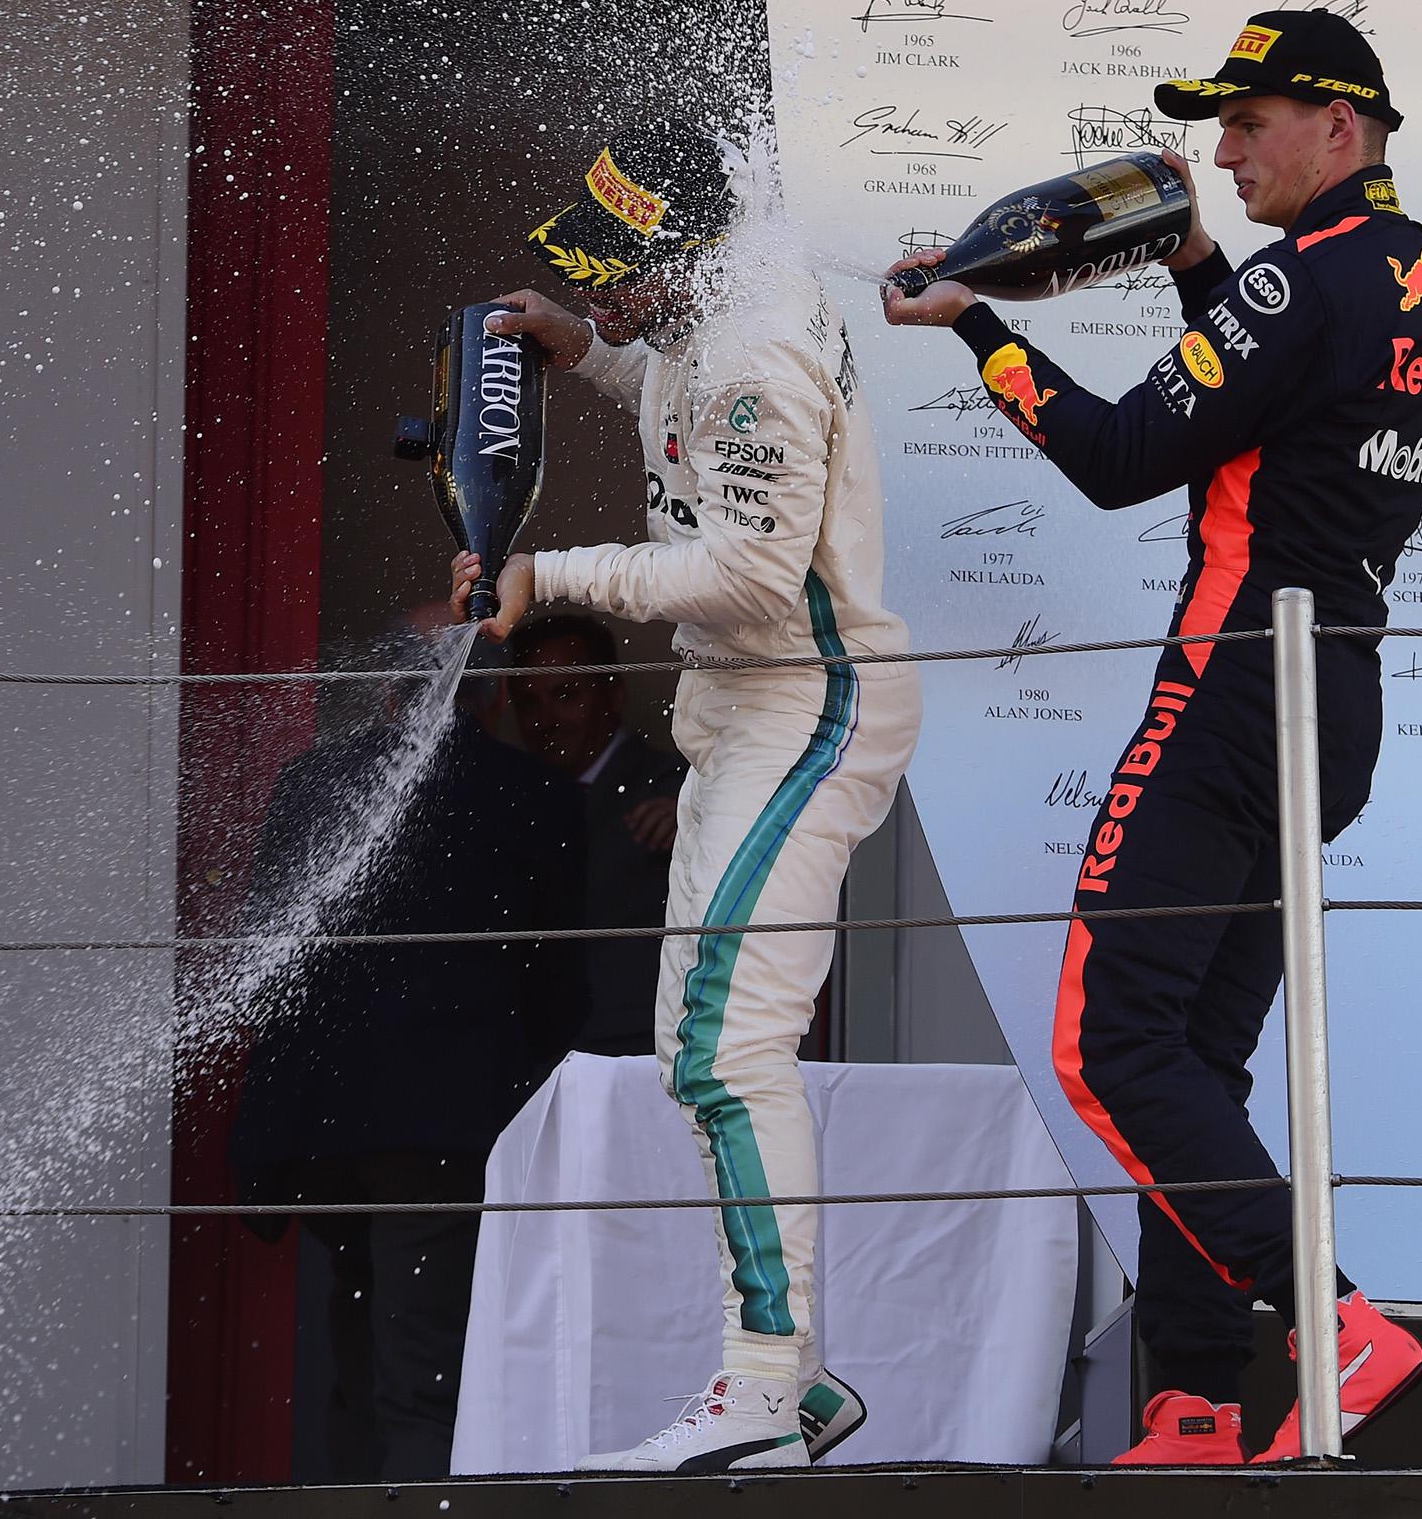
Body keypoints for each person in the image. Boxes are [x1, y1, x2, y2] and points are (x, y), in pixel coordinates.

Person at [884, 10, 1422, 1463]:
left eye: (1249, 121)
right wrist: (1197, 266)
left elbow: (1118, 460)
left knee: (1106, 1044)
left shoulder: (1307, 281)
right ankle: (1198, 1404)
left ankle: (1328, 1325)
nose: (1222, 150)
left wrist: (975, 326)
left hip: (1228, 691)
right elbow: (1285, 401)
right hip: (1332, 704)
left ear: (1339, 128)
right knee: (1191, 1065)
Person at [451, 119, 919, 1472]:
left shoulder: (761, 347)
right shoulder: (727, 307)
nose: (606, 289)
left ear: (702, 253)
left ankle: (770, 1392)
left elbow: (750, 576)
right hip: (760, 711)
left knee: (721, 1053)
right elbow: (677, 387)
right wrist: (587, 352)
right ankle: (791, 1384)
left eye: (620, 273)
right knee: (700, 1055)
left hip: (807, 709)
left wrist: (553, 577)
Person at [230, 621, 589, 1480]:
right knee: (424, 1374)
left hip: (322, 1129)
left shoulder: (311, 781)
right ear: (493, 695)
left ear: (392, 694)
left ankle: (353, 1492)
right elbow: (557, 986)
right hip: (439, 1131)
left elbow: (261, 948)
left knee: (360, 1355)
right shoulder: (531, 793)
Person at [507, 612, 686, 1057]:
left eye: (566, 695)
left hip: (639, 1050)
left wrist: (693, 825)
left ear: (614, 694)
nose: (546, 719)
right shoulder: (510, 800)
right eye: (529, 702)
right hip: (532, 1051)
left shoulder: (678, 787)